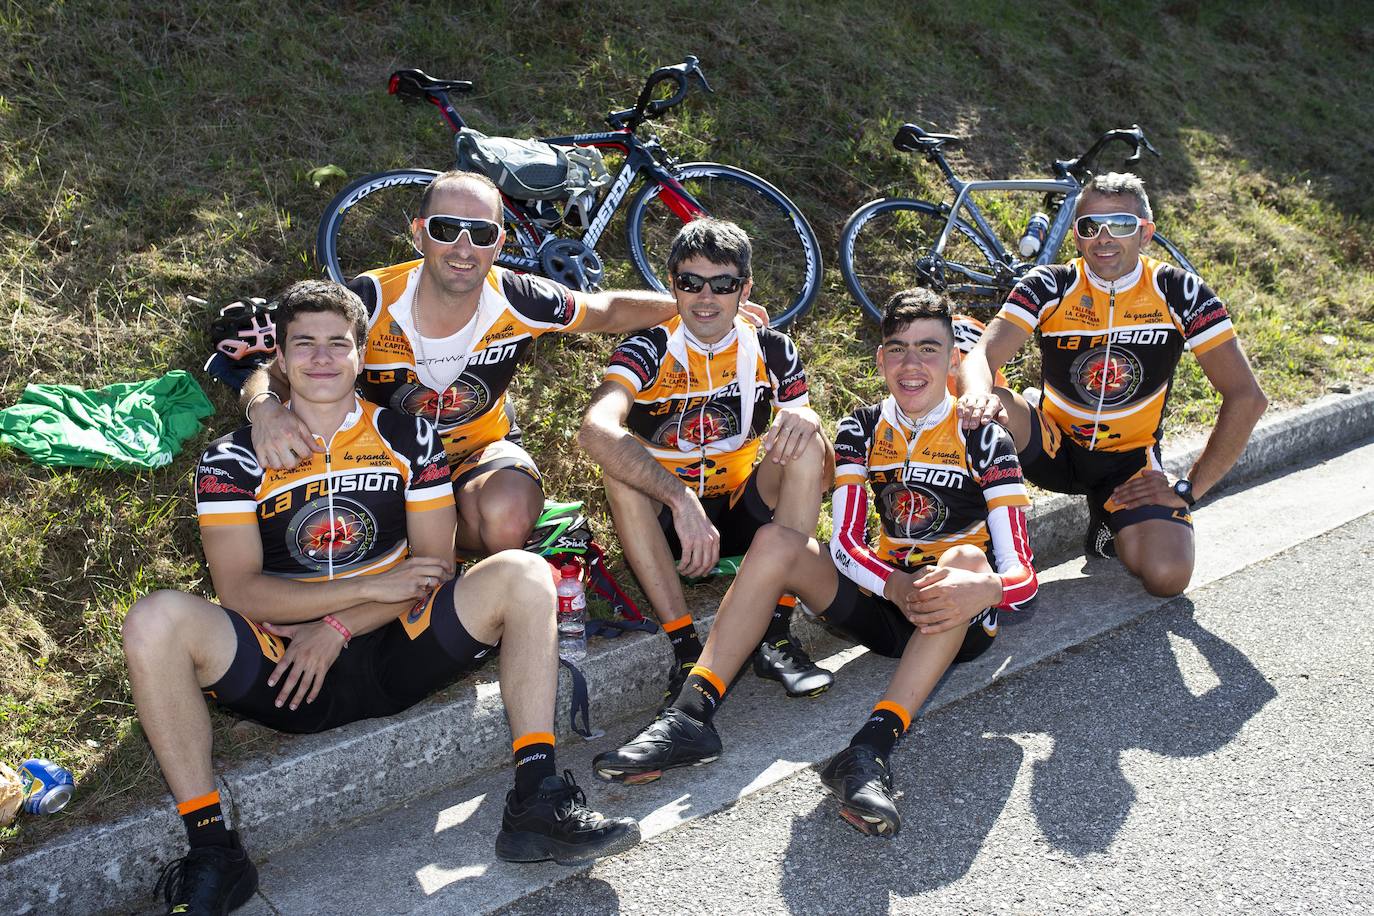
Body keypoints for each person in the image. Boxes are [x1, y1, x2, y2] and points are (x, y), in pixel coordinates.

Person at [124, 282, 638, 916]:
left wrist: (338, 624)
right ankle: (213, 849)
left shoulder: (409, 435)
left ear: (361, 355)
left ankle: (537, 797)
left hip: (400, 645)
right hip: (286, 668)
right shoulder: (231, 460)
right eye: (303, 344)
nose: (321, 359)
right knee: (154, 619)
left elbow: (433, 568)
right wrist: (363, 587)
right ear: (279, 359)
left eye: (337, 344)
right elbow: (240, 592)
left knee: (525, 573)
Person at [591, 289, 1037, 838]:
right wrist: (894, 586)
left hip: (958, 618)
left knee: (966, 558)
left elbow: (1023, 575)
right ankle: (690, 715)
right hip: (886, 602)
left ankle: (869, 750)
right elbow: (846, 544)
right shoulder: (860, 429)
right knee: (778, 541)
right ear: (879, 360)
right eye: (897, 350)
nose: (912, 365)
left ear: (951, 362)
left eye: (928, 350)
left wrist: (986, 590)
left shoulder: (984, 437)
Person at [240, 170, 761, 556]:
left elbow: (606, 310)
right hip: (379, 461)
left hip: (476, 452)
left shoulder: (520, 299)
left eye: (482, 233)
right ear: (419, 232)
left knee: (509, 514)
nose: (464, 248)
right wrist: (264, 409)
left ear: (500, 243)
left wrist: (701, 302)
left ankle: (446, 549)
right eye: (447, 229)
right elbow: (279, 365)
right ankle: (415, 545)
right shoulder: (368, 300)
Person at [958, 173, 1267, 596]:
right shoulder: (1050, 284)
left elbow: (1247, 396)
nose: (1103, 239)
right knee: (980, 403)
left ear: (1146, 233)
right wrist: (975, 394)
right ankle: (971, 538)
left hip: (1127, 464)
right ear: (1076, 237)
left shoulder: (1179, 291)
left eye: (1120, 225)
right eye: (1090, 227)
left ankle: (1106, 520)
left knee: (1165, 576)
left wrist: (1188, 488)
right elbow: (980, 356)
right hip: (1052, 442)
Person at [578, 218, 835, 704]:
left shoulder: (772, 349)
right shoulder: (648, 348)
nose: (705, 297)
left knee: (803, 441)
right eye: (690, 282)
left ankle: (776, 635)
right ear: (671, 284)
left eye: (723, 284)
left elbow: (823, 475)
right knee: (620, 471)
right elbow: (595, 429)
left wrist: (808, 420)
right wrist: (679, 499)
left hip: (740, 513)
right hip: (671, 523)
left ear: (745, 289)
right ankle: (685, 648)